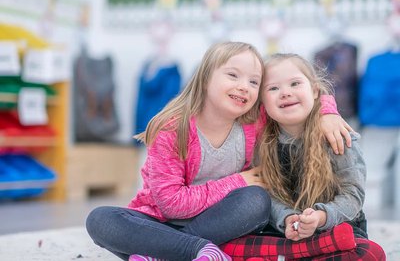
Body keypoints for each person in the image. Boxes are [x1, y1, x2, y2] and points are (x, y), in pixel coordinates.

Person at [86, 43, 351, 261]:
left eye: (254, 82)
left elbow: (299, 94)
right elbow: (171, 205)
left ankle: (163, 254)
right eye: (233, 75)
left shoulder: (255, 119)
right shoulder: (171, 128)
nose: (244, 86)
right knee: (100, 220)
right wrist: (238, 181)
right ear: (205, 79)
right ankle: (193, 251)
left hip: (217, 222)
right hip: (159, 222)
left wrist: (327, 111)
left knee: (257, 200)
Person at [221, 53, 385, 260]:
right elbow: (268, 195)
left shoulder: (337, 135)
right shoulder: (262, 141)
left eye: (295, 83)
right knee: (230, 243)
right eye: (273, 88)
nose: (285, 93)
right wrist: (287, 218)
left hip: (336, 228)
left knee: (369, 253)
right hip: (285, 232)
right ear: (262, 102)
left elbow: (353, 196)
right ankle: (301, 252)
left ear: (315, 91)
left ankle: (292, 254)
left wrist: (320, 217)